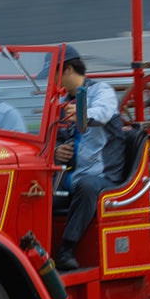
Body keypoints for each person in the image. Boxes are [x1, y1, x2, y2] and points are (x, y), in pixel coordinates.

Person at [52, 46, 126, 271]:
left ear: (67, 70)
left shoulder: (102, 91)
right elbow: (52, 137)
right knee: (40, 196)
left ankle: (66, 250)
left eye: (52, 75)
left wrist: (81, 114)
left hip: (104, 175)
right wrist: (57, 151)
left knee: (86, 187)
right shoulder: (62, 101)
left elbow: (102, 113)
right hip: (75, 176)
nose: (51, 81)